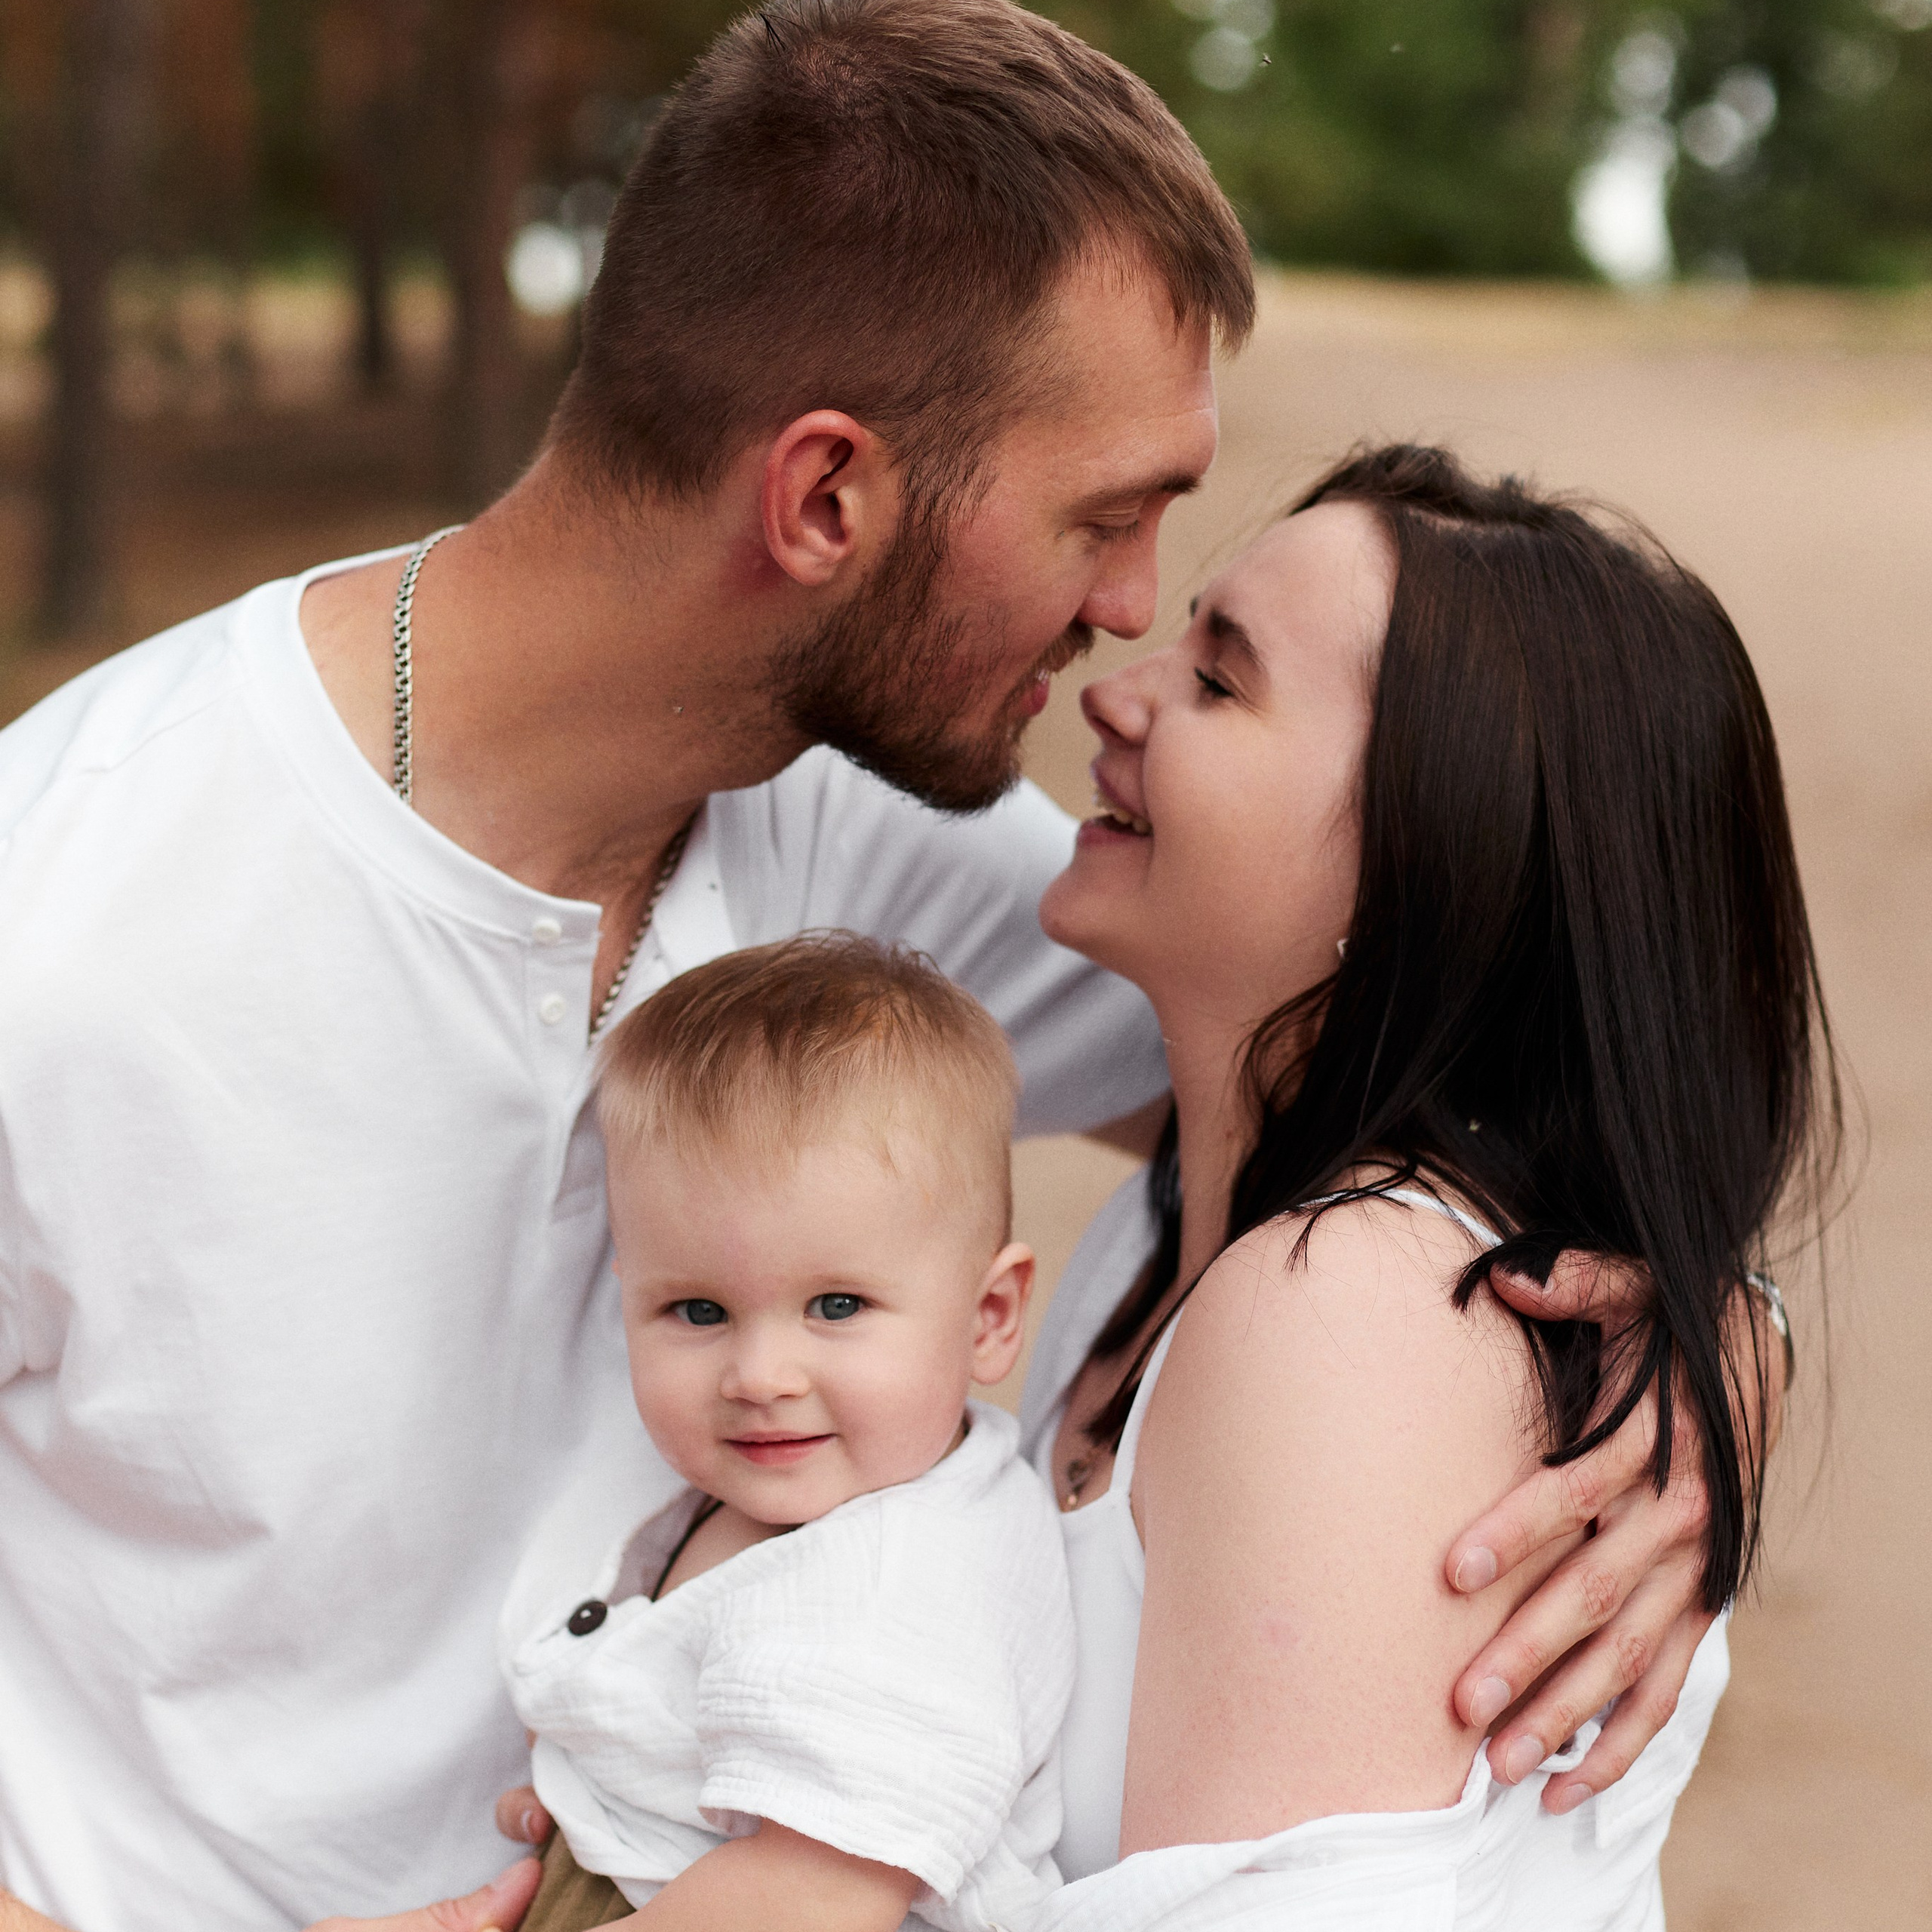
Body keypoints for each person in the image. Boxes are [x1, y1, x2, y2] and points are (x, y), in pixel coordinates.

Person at [0, 6, 1757, 1929]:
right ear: (827, 497)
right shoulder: (71, 916)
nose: (1121, 620)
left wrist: (1686, 1368)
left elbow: (1461, 1019)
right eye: (1101, 518)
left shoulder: (865, 842)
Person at [1005, 445, 1832, 1925]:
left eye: (1215, 680)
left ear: (1420, 858)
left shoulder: (1344, 1317)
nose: (1111, 694)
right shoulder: (1186, 1222)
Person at [500, 934, 1072, 1932]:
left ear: (987, 1318)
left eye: (838, 1306)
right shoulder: (808, 1502)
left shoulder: (896, 1588)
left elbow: (806, 1901)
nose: (760, 1378)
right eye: (700, 1313)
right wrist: (596, 1801)